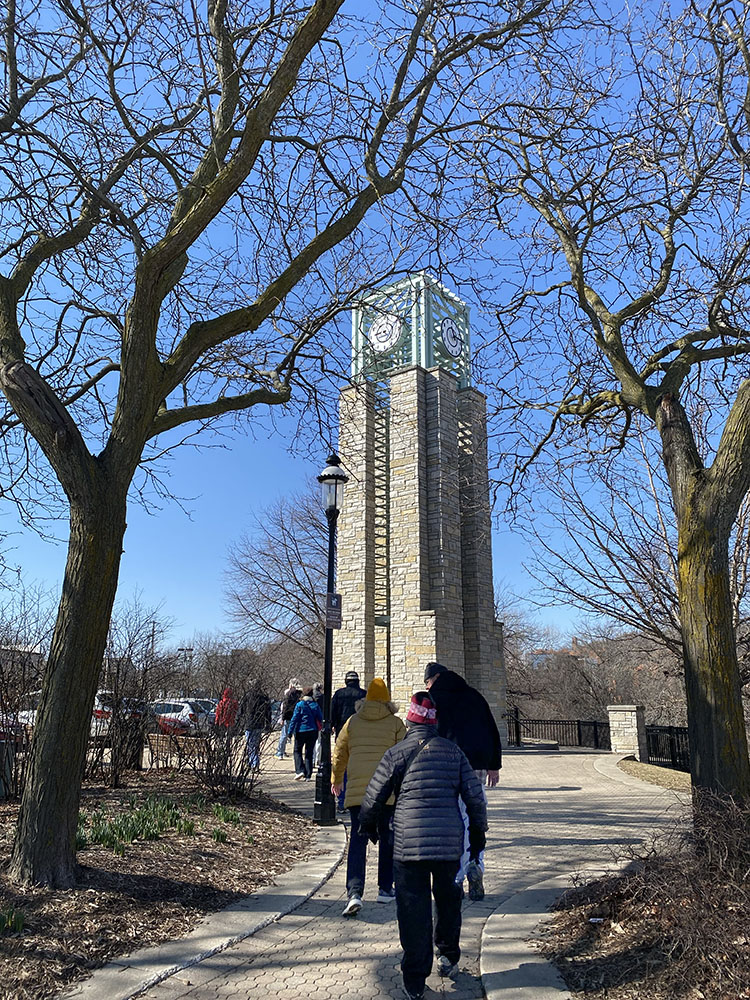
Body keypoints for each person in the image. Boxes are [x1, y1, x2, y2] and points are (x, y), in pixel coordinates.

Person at [359, 692, 487, 1000]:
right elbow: (475, 799)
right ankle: (448, 955)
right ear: (435, 722)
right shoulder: (454, 753)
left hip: (408, 844)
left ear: (410, 720)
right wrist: (478, 838)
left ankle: (415, 978)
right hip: (448, 845)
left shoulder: (396, 753)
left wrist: (369, 826)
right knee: (448, 902)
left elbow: (373, 796)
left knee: (413, 909)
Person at [423, 661, 502, 901]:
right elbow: (491, 729)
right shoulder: (473, 695)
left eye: (426, 682)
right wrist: (493, 765)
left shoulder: (432, 699)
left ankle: (455, 876)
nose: (426, 686)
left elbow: (424, 732)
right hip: (476, 764)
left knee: (452, 819)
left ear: (434, 679)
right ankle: (476, 863)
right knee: (474, 817)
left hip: (444, 765)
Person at [331, 677, 406, 917]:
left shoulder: (352, 722)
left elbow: (339, 753)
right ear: (387, 700)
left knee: (357, 840)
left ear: (366, 699)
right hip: (386, 792)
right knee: (387, 839)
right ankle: (385, 888)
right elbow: (404, 757)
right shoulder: (396, 724)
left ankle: (355, 892)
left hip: (357, 793)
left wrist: (337, 779)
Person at [330, 670, 366, 810]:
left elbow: (332, 713)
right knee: (358, 768)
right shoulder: (364, 694)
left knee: (343, 766)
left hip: (342, 734)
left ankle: (342, 801)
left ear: (346, 681)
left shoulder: (339, 694)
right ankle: (358, 800)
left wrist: (332, 725)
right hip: (360, 736)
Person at [287, 686, 322, 780]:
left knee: (297, 751)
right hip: (313, 730)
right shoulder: (315, 705)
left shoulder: (300, 705)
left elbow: (294, 719)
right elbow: (320, 717)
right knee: (309, 752)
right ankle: (308, 774)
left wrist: (290, 732)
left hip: (300, 731)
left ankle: (299, 770)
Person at [239, 681, 271, 769]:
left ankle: (254, 763)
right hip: (259, 724)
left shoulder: (247, 696)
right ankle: (252, 761)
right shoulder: (264, 697)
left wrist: (240, 721)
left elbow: (241, 710)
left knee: (251, 745)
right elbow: (268, 712)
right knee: (255, 745)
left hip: (249, 723)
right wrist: (268, 724)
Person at [275, 679, 301, 759]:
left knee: (284, 735)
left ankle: (280, 753)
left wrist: (282, 718)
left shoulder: (289, 694)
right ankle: (296, 753)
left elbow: (285, 707)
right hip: (297, 717)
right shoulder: (299, 694)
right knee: (297, 736)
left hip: (288, 717)